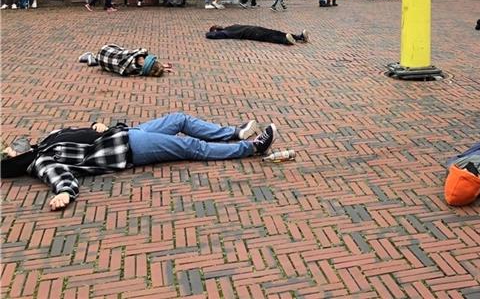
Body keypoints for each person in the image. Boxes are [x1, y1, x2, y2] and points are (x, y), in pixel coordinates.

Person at [0, 114, 277, 211]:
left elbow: (81, 131)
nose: (12, 146)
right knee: (190, 146)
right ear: (14, 162)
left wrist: (97, 124)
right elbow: (62, 178)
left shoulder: (47, 138)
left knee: (179, 118)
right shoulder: (41, 162)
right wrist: (63, 194)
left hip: (126, 131)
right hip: (128, 148)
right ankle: (250, 147)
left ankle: (233, 132)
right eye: (10, 151)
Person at [79, 44, 173, 77]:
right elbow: (147, 68)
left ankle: (93, 57)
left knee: (122, 52)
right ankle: (94, 59)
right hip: (103, 64)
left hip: (105, 50)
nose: (144, 58)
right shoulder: (134, 71)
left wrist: (159, 65)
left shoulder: (134, 56)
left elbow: (143, 50)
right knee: (119, 56)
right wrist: (161, 67)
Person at [206, 24, 308, 45]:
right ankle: (286, 41)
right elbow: (210, 35)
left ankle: (299, 37)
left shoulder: (229, 27)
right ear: (216, 30)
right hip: (252, 33)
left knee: (276, 32)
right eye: (216, 26)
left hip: (255, 28)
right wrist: (212, 32)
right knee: (270, 37)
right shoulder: (225, 33)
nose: (218, 25)